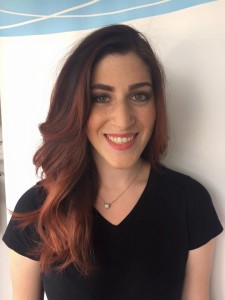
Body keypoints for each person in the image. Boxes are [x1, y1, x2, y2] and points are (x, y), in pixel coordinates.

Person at [3, 24, 223, 300]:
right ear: (76, 106)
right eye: (101, 97)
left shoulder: (190, 201)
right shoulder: (40, 208)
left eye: (139, 95)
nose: (123, 119)